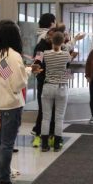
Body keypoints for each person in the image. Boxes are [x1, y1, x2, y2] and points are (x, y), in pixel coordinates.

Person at [0, 19, 35, 184]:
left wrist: (27, 70)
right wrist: (26, 74)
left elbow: (3, 75)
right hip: (11, 105)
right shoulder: (14, 55)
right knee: (7, 145)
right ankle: (5, 181)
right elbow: (16, 84)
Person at [39, 30, 70, 152]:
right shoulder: (66, 54)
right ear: (62, 42)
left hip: (48, 86)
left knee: (46, 118)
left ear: (51, 40)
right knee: (59, 118)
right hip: (61, 87)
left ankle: (45, 144)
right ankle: (57, 144)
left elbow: (37, 60)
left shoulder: (45, 54)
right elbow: (69, 51)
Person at [30, 13, 56, 146]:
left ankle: (52, 135)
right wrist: (38, 70)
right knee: (43, 109)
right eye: (50, 35)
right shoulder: (41, 47)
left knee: (54, 111)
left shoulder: (59, 48)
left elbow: (65, 65)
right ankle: (40, 134)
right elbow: (38, 61)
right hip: (44, 82)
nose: (51, 38)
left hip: (56, 83)